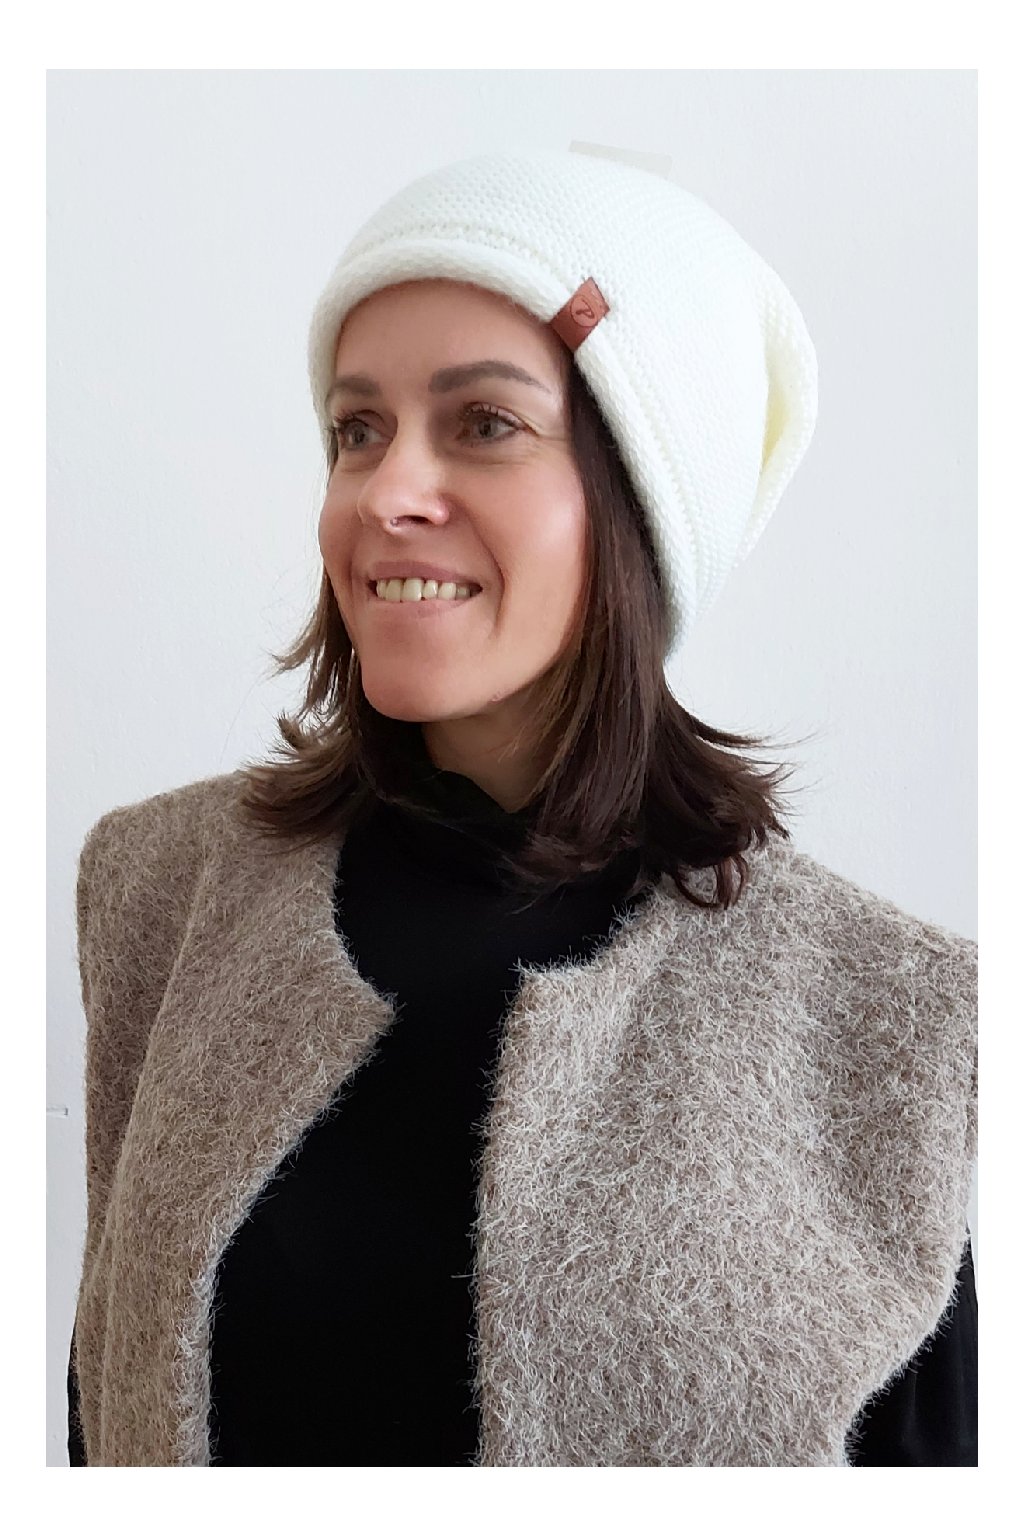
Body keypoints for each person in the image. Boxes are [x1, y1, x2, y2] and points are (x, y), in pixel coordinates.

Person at [67, 147, 977, 1467]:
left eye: (484, 423)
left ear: (645, 503)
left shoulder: (895, 1017)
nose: (387, 493)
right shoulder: (157, 889)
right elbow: (103, 1410)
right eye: (357, 430)